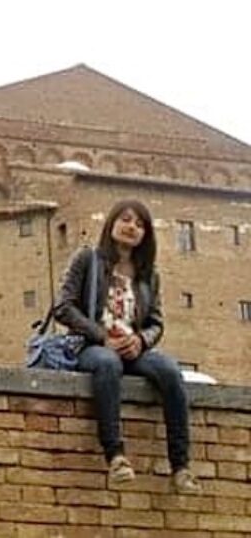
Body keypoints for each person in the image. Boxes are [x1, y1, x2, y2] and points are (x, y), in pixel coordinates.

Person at [53, 199, 200, 494]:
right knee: (108, 364)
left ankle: (181, 467)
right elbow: (64, 307)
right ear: (112, 223)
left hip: (133, 350)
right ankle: (116, 455)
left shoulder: (148, 275)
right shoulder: (88, 259)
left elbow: (157, 323)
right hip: (93, 345)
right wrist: (102, 336)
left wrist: (141, 340)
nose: (132, 227)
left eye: (140, 224)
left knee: (171, 372)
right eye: (126, 220)